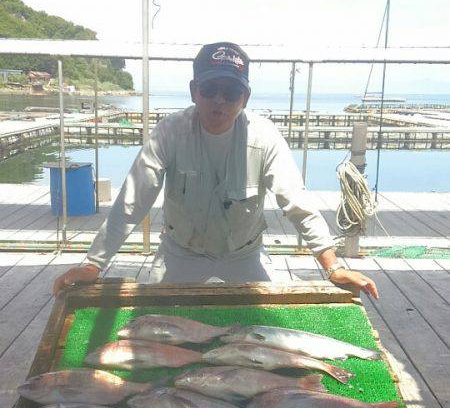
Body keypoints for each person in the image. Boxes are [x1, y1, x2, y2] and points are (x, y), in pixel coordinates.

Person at [53, 42, 378, 298]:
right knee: (157, 323)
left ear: (245, 97)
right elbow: (132, 202)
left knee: (262, 330)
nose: (218, 101)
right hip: (181, 252)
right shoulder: (169, 132)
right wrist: (94, 264)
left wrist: (332, 266)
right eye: (209, 90)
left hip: (244, 254)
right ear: (194, 91)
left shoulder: (265, 138)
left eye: (231, 92)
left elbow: (297, 203)